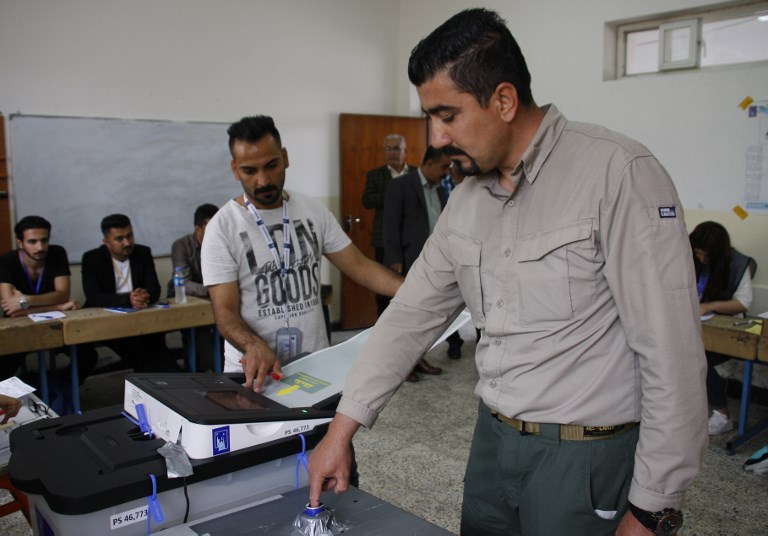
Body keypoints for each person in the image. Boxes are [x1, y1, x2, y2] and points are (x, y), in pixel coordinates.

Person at [308, 9, 706, 536]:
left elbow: (672, 355)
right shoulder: (468, 200)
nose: (438, 136)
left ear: (503, 100)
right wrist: (341, 432)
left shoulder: (618, 174)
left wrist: (654, 509)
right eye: (431, 116)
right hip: (492, 450)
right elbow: (409, 317)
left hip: (586, 459)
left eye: (448, 115)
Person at [202, 115, 403, 394]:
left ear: (285, 157)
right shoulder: (222, 228)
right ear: (235, 170)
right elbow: (224, 311)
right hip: (254, 373)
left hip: (315, 367)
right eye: (250, 170)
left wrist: (413, 291)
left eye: (271, 165)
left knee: (328, 438)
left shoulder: (312, 210)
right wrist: (253, 345)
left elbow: (359, 266)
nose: (263, 180)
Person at [383, 145, 461, 380]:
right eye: (443, 166)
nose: (447, 171)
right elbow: (390, 224)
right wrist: (394, 257)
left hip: (434, 263)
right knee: (406, 317)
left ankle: (418, 359)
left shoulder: (439, 189)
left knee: (423, 317)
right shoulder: (401, 185)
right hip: (408, 260)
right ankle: (402, 365)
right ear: (428, 164)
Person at [0, 216, 97, 382]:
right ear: (20, 243)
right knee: (3, 368)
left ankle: (61, 388)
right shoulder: (7, 261)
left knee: (88, 356)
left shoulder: (57, 253)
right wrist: (58, 306)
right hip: (21, 327)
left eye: (44, 240)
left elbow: (62, 294)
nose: (40, 247)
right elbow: (12, 310)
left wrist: (25, 300)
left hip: (56, 324)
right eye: (32, 241)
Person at [81, 214, 179, 372]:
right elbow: (93, 296)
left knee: (163, 357)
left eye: (129, 236)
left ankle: (176, 388)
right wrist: (128, 300)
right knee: (142, 359)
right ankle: (151, 390)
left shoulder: (142, 253)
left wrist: (145, 296)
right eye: (119, 239)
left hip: (143, 319)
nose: (127, 243)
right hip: (111, 324)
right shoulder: (92, 258)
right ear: (106, 242)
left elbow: (154, 289)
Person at [690, 221, 754, 436]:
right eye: (698, 254)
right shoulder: (690, 259)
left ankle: (722, 415)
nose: (702, 260)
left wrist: (710, 306)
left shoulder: (737, 263)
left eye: (706, 255)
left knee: (702, 359)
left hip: (727, 333)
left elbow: (743, 303)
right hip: (696, 328)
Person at [362, 134, 414, 316]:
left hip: (412, 240)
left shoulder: (416, 173)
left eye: (396, 148)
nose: (391, 153)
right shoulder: (375, 175)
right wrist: (394, 193)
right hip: (383, 240)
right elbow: (367, 201)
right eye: (388, 148)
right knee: (384, 286)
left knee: (416, 284)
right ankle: (384, 326)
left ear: (405, 151)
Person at [169, 203, 219, 299]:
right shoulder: (181, 246)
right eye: (212, 230)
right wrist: (213, 291)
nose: (217, 233)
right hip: (192, 299)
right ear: (198, 229)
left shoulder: (224, 243)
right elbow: (184, 283)